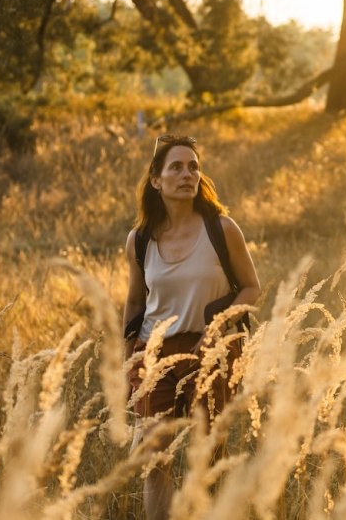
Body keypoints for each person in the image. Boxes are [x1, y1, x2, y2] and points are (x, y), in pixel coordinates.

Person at [122, 133, 262, 520]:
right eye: (177, 167)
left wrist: (217, 329)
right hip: (155, 352)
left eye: (194, 167)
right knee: (154, 459)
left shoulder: (221, 228)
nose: (188, 174)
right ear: (156, 180)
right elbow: (135, 303)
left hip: (210, 350)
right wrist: (126, 364)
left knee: (209, 456)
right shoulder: (140, 240)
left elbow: (252, 288)